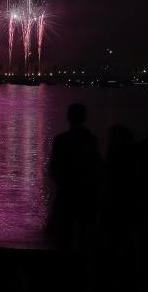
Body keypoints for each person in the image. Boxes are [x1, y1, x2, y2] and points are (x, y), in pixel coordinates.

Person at [48, 103, 101, 250]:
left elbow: (54, 168)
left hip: (66, 193)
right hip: (86, 194)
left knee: (63, 236)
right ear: (84, 118)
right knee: (85, 236)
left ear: (68, 117)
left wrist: (63, 183)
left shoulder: (61, 140)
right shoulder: (92, 140)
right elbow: (96, 168)